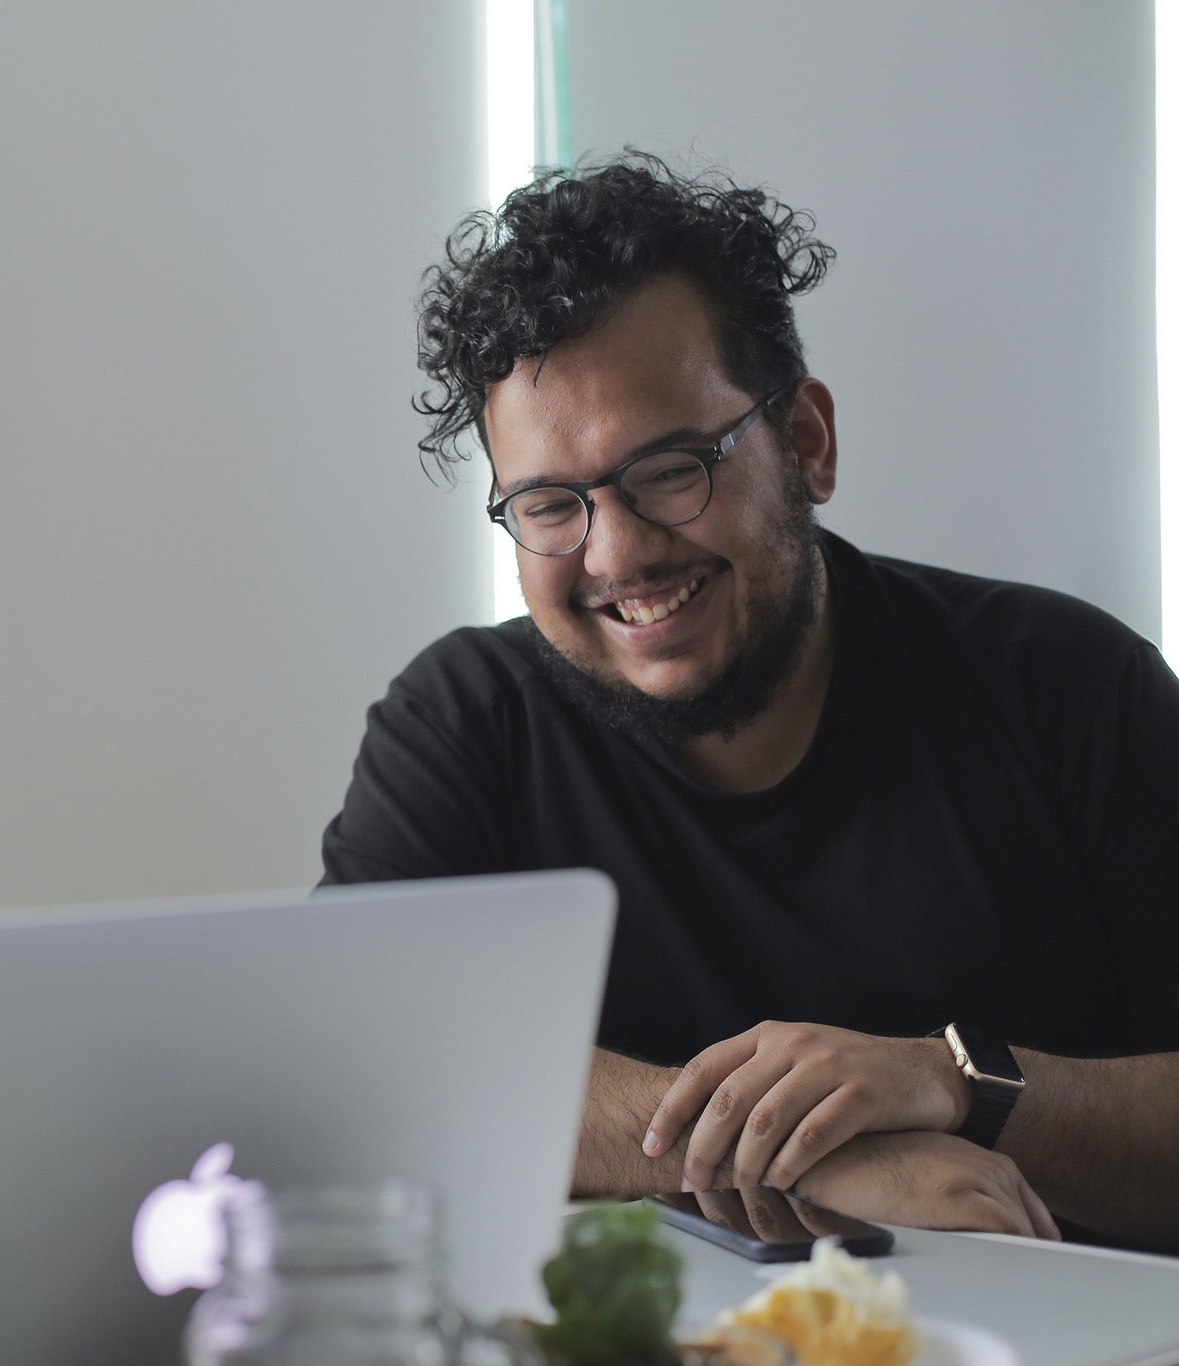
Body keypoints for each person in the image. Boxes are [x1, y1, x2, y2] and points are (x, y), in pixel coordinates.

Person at [322, 155, 1179, 1249]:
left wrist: (958, 1085)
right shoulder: (464, 720)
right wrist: (825, 1149)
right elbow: (359, 1073)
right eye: (549, 503)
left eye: (671, 468)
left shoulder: (1067, 689)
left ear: (805, 444)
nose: (618, 551)